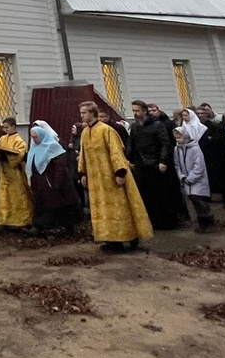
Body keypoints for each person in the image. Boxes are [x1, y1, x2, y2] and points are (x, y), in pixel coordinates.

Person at [78, 101, 153, 252]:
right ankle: (110, 239)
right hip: (96, 179)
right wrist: (83, 173)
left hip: (111, 177)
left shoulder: (107, 130)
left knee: (119, 208)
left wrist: (120, 172)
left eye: (84, 112)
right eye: (81, 113)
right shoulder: (85, 132)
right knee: (102, 210)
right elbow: (83, 154)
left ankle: (128, 238)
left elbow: (116, 152)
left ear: (92, 113)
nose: (82, 115)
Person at [128, 100, 181, 230]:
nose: (135, 113)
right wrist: (129, 159)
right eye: (133, 111)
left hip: (156, 164)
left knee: (162, 194)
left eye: (137, 111)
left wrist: (163, 161)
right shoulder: (135, 126)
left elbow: (165, 143)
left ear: (144, 111)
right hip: (142, 165)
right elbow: (132, 144)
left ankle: (167, 222)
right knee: (147, 195)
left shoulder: (157, 125)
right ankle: (152, 221)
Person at [26, 121, 82, 233]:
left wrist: (56, 182)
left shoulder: (53, 146)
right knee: (42, 203)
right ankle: (41, 225)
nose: (34, 140)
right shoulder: (34, 148)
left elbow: (60, 165)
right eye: (32, 137)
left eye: (36, 137)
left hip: (55, 182)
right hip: (40, 182)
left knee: (61, 204)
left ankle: (66, 226)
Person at [0, 117, 32, 231]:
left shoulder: (19, 140)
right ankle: (5, 220)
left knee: (18, 195)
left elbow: (19, 154)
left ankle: (21, 220)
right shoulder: (3, 138)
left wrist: (7, 156)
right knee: (4, 196)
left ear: (14, 127)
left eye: (7, 127)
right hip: (3, 171)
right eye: (4, 127)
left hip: (14, 173)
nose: (5, 129)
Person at [174, 126, 213, 233]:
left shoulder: (195, 148)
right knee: (193, 200)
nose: (177, 140)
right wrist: (181, 176)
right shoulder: (177, 149)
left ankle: (206, 220)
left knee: (199, 199)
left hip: (197, 180)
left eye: (179, 137)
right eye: (176, 138)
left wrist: (191, 177)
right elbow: (177, 164)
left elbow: (199, 166)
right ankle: (203, 220)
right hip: (186, 179)